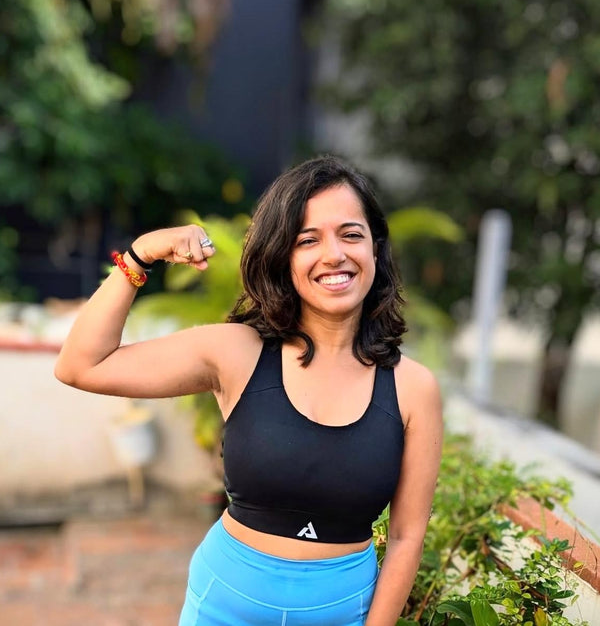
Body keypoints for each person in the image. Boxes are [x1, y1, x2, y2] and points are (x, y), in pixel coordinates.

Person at [55, 155, 443, 626]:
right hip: (224, 605)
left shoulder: (413, 388)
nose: (334, 255)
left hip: (341, 611)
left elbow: (405, 537)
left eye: (351, 235)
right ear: (283, 257)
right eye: (308, 240)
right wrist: (140, 255)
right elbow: (82, 365)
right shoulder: (238, 352)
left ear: (375, 251)